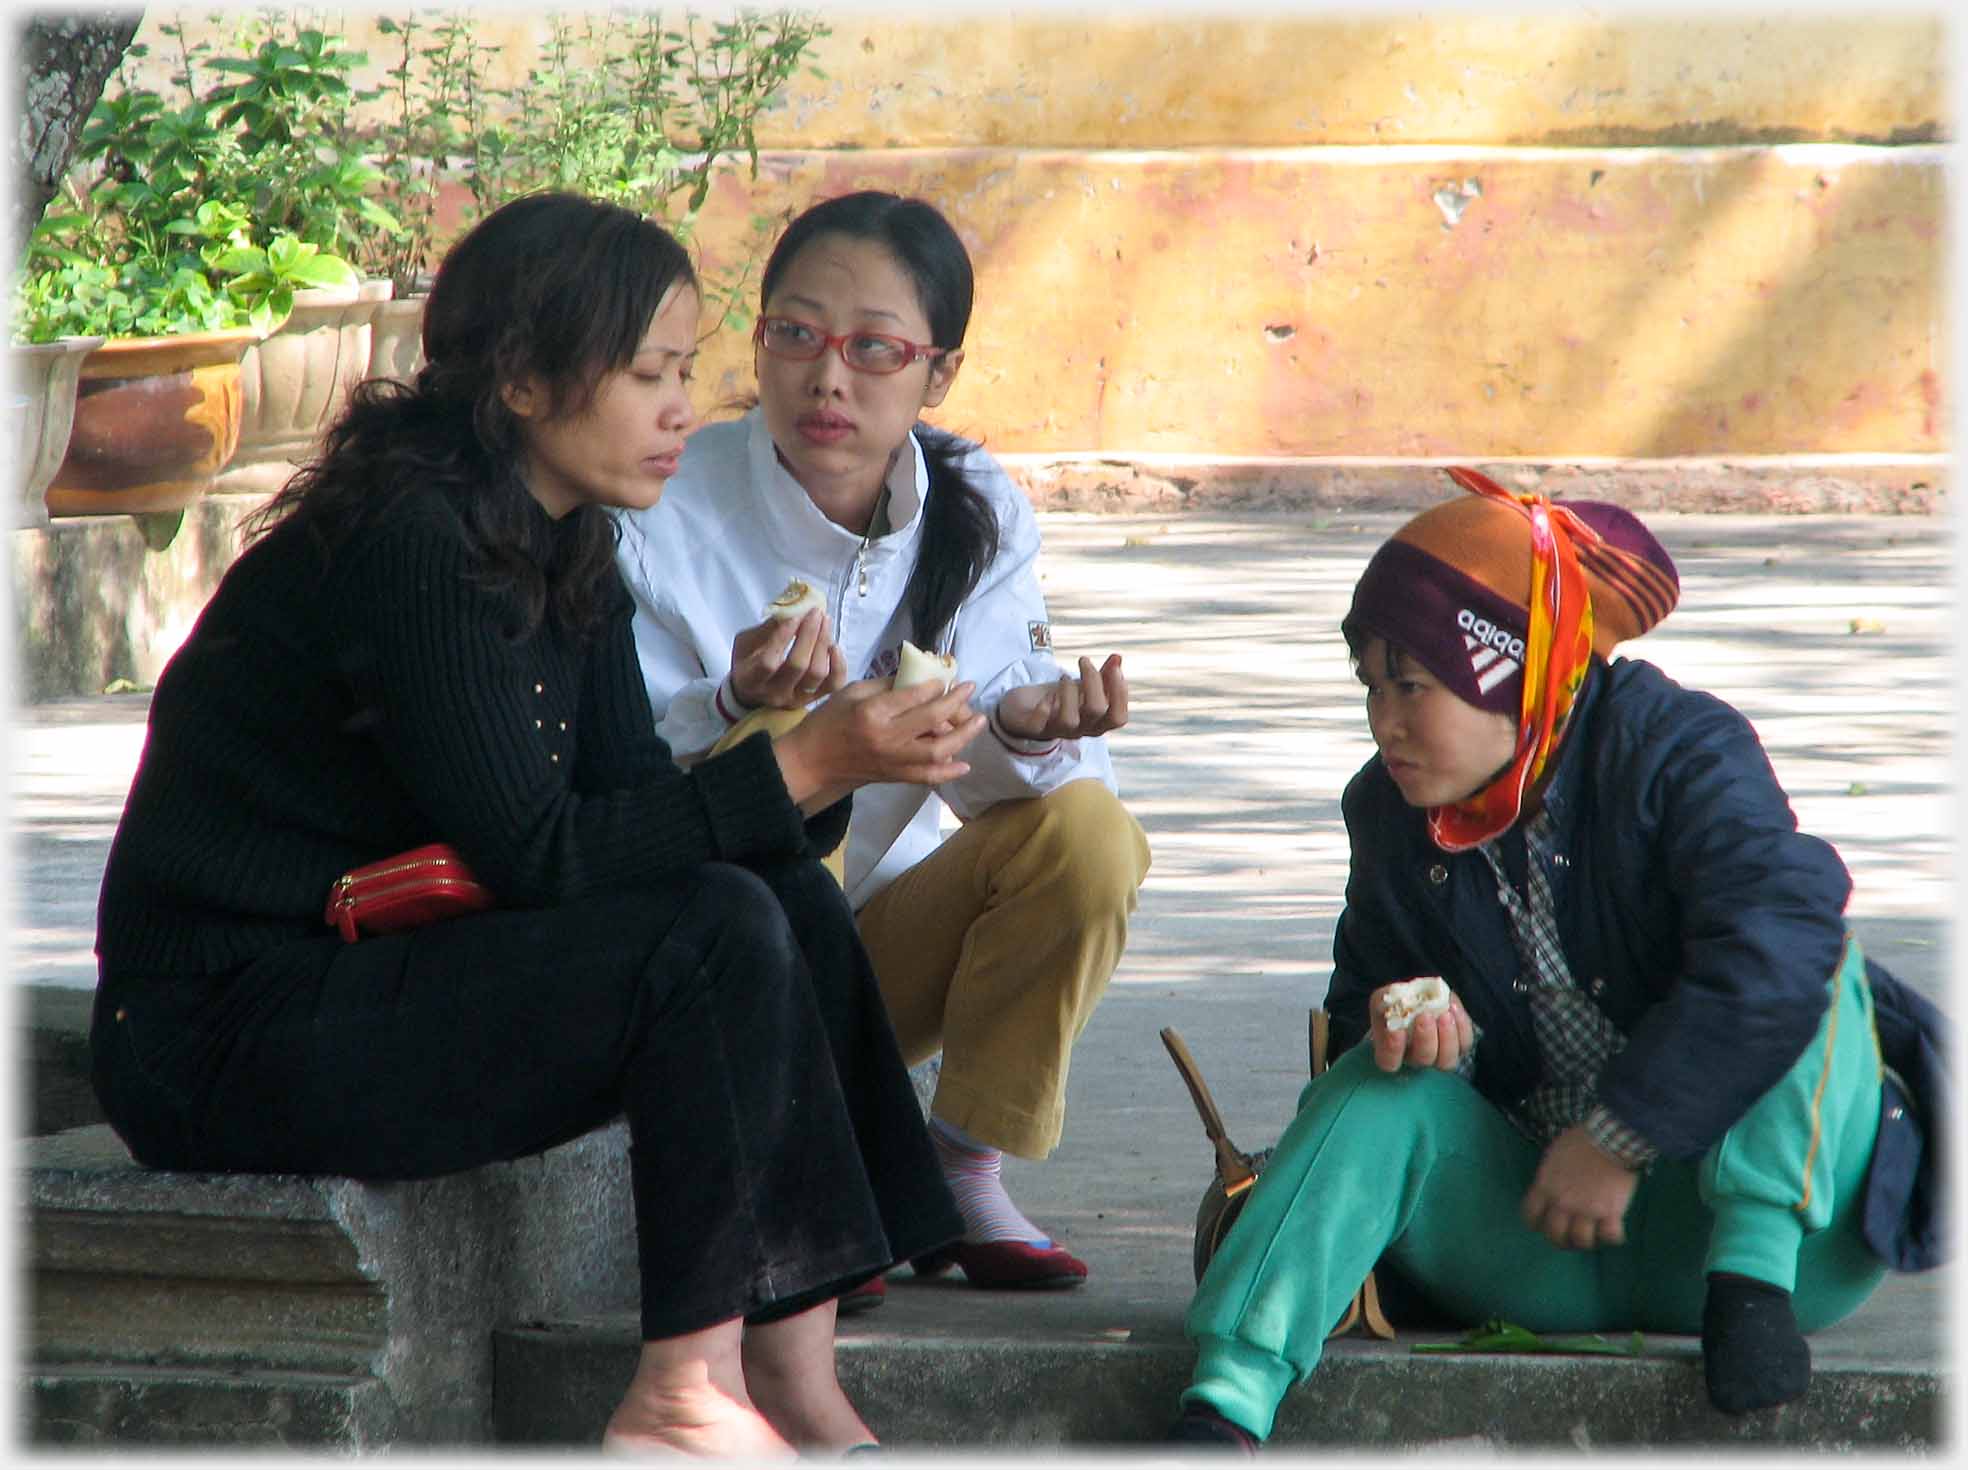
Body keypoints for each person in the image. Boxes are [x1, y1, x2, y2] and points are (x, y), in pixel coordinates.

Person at [87, 190, 981, 1458]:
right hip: (224, 1028)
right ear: (520, 379)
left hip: (371, 973)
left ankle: (795, 1376)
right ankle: (680, 1396)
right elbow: (546, 857)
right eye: (646, 373)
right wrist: (799, 765)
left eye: (684, 370)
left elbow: (630, 809)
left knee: (774, 894)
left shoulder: (569, 541)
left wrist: (826, 762)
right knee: (715, 920)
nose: (684, 407)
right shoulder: (418, 546)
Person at [1166, 470, 1948, 1450]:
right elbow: (1362, 998)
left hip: (1763, 1250)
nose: (1384, 721)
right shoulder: (1386, 811)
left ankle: (1750, 1281)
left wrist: (1622, 1136)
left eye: (1412, 683)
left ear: (1516, 672)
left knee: (1805, 954)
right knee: (1376, 1088)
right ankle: (1225, 1408)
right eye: (1370, 684)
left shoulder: (1676, 751)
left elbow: (1778, 954)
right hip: (1536, 1237)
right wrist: (1400, 1019)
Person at [616, 190, 1151, 1293]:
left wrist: (1019, 722)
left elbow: (995, 746)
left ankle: (956, 1164)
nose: (828, 378)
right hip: (700, 970)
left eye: (874, 349)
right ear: (757, 340)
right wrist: (735, 706)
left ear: (937, 374)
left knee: (1088, 832)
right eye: (796, 335)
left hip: (872, 953)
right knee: (778, 734)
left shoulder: (977, 502)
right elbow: (613, 779)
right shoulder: (662, 499)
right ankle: (801, 1172)